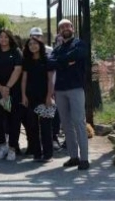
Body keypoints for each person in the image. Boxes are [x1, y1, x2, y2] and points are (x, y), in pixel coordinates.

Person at [49, 19, 90, 170]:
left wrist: (60, 62)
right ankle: (74, 157)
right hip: (60, 90)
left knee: (79, 122)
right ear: (59, 31)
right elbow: (50, 62)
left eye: (68, 26)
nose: (65, 28)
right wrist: (67, 62)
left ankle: (84, 159)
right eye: (62, 27)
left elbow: (79, 55)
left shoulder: (80, 44)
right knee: (66, 125)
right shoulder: (58, 49)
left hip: (76, 88)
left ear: (72, 28)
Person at [0, 29, 23, 161]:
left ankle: (12, 148)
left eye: (6, 37)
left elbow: (18, 70)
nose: (3, 39)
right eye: (1, 37)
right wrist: (0, 87)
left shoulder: (16, 52)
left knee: (13, 121)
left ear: (10, 38)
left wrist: (7, 87)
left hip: (13, 92)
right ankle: (2, 146)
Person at [21, 36, 55, 162]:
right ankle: (37, 153)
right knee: (32, 126)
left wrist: (49, 96)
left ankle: (48, 154)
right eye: (30, 44)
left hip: (44, 97)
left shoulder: (47, 60)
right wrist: (23, 95)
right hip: (31, 97)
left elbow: (50, 80)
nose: (33, 46)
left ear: (40, 45)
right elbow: (24, 79)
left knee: (46, 127)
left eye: (35, 43)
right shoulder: (27, 61)